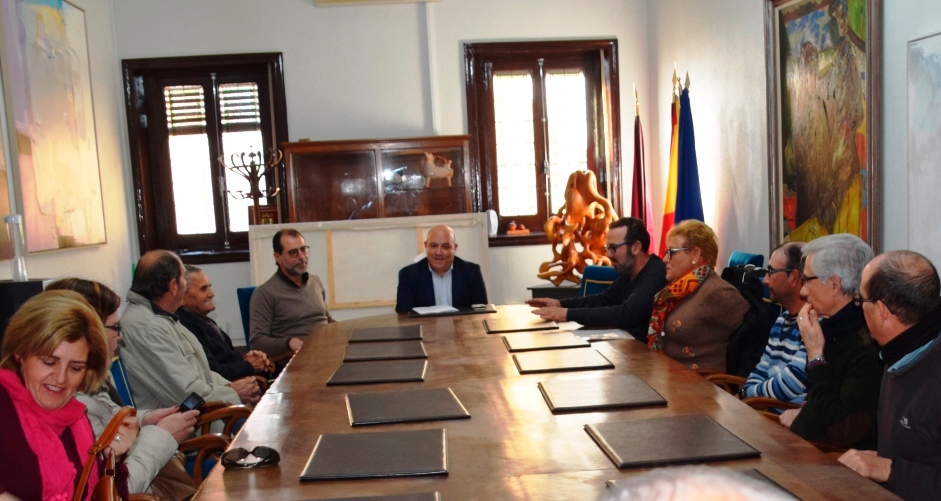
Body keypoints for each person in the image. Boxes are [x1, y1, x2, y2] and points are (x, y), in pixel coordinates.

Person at [46, 278, 199, 498]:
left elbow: (110, 426)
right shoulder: (70, 401)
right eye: (116, 328)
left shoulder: (92, 385)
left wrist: (144, 419)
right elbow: (112, 489)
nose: (121, 335)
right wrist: (162, 436)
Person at [0, 291, 129, 500]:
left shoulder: (75, 416)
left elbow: (109, 491)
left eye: (76, 368)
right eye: (49, 362)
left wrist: (114, 458)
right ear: (19, 353)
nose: (60, 379)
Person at [837, 251, 941, 499]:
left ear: (882, 311)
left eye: (860, 301)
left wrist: (888, 469)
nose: (858, 308)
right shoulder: (898, 350)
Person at [778, 233, 881, 450]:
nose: (803, 291)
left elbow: (842, 430)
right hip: (801, 444)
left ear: (835, 284)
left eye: (806, 280)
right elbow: (826, 398)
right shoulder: (832, 328)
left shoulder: (868, 344)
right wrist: (805, 409)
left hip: (827, 463)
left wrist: (816, 355)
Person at [120, 250, 259, 410]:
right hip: (192, 422)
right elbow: (185, 394)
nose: (185, 285)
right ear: (173, 286)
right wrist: (233, 394)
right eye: (183, 278)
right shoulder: (146, 327)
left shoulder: (162, 316)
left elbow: (202, 372)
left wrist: (231, 386)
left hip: (209, 407)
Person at [527, 217, 666, 341]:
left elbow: (626, 314)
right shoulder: (628, 272)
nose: (609, 254)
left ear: (636, 247)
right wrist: (560, 304)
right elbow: (603, 299)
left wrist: (568, 314)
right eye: (608, 248)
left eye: (613, 248)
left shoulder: (655, 273)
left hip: (645, 355)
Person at [646, 220, 750, 372]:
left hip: (702, 386)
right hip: (668, 376)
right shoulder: (675, 291)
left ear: (695, 254)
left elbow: (753, 337)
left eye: (671, 252)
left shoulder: (718, 292)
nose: (665, 259)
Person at [741, 242, 809, 404]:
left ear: (793, 277)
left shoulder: (814, 323)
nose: (764, 280)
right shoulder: (781, 320)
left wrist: (747, 394)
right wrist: (747, 392)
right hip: (762, 409)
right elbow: (761, 370)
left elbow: (790, 384)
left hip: (783, 420)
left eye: (770, 272)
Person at [250, 229, 334, 357]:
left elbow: (326, 319)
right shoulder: (264, 293)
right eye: (293, 252)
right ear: (278, 257)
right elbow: (257, 342)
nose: (301, 256)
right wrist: (289, 342)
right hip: (297, 359)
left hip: (326, 350)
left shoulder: (315, 281)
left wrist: (346, 330)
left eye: (303, 249)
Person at [178, 265, 271, 381]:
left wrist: (248, 359)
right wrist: (249, 365)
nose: (212, 294)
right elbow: (212, 372)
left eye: (209, 287)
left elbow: (226, 357)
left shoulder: (202, 319)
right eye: (203, 289)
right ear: (183, 295)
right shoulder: (186, 327)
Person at [395, 224, 488, 313]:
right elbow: (404, 316)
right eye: (433, 246)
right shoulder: (408, 275)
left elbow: (480, 312)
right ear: (426, 246)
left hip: (462, 328)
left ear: (454, 248)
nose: (438, 252)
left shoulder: (471, 272)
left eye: (445, 247)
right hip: (425, 328)